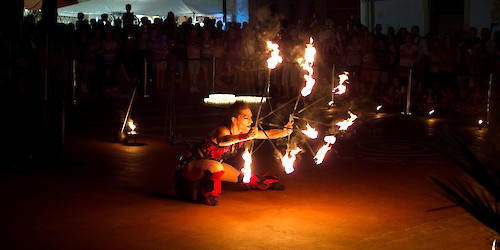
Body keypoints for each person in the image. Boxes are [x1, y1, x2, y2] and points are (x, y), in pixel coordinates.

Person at [174, 101, 294, 206]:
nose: (251, 121)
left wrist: (285, 132)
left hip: (213, 166)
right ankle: (205, 195)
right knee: (217, 167)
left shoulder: (245, 134)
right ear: (234, 119)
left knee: (244, 178)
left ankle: (264, 183)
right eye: (245, 117)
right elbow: (224, 140)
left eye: (251, 117)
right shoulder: (223, 130)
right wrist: (245, 136)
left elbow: (269, 134)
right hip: (188, 168)